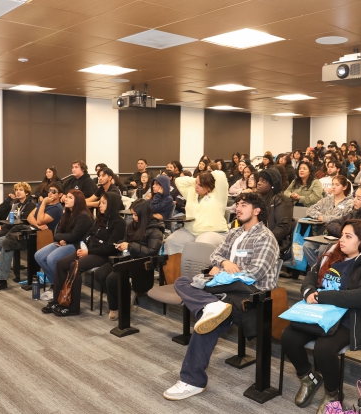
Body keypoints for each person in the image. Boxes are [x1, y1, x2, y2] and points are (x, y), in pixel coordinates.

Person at [162, 192, 279, 401]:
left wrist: (222, 271)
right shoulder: (234, 233)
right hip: (225, 288)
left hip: (248, 296)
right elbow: (215, 255)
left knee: (208, 324)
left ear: (257, 210)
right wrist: (224, 263)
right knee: (183, 281)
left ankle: (192, 381)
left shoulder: (265, 238)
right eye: (237, 204)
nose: (238, 208)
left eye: (244, 205)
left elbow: (254, 274)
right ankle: (210, 306)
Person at [281, 219, 361, 412]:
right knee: (288, 337)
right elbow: (311, 276)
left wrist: (322, 296)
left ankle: (333, 393)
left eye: (348, 236)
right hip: (320, 312)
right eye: (342, 235)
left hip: (350, 317)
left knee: (324, 348)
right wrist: (309, 292)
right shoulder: (331, 254)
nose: (341, 240)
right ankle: (308, 378)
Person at [0, 184, 63, 294]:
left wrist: (43, 204)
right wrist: (38, 225)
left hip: (41, 239)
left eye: (54, 191)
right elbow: (30, 217)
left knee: (7, 243)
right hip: (30, 233)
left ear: (60, 195)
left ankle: (1, 280)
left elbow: (40, 220)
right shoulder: (40, 204)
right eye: (49, 190)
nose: (50, 193)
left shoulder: (56, 208)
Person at [49, 192, 125, 317]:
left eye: (104, 203)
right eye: (100, 202)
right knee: (61, 263)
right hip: (88, 251)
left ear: (112, 205)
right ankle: (58, 300)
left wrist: (89, 251)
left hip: (103, 255)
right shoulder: (99, 220)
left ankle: (73, 307)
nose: (100, 205)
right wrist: (83, 247)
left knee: (75, 266)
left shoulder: (118, 223)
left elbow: (109, 247)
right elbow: (87, 236)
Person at [95, 199, 164, 320]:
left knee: (112, 277)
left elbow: (151, 252)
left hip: (141, 263)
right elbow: (127, 240)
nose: (133, 217)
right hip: (128, 258)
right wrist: (121, 244)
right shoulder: (131, 225)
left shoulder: (155, 229)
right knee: (99, 274)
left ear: (144, 214)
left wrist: (130, 246)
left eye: (136, 215)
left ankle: (116, 306)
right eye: (132, 214)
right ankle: (120, 298)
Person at [36, 190, 93, 309]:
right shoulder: (66, 213)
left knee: (51, 259)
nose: (65, 199)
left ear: (77, 201)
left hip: (76, 245)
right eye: (66, 197)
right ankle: (54, 284)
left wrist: (63, 239)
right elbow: (56, 233)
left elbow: (74, 236)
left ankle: (62, 288)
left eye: (70, 197)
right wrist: (62, 239)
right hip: (63, 242)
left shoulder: (84, 216)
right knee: (39, 256)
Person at [164, 170, 228, 255]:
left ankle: (200, 268)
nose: (196, 187)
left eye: (200, 185)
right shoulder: (191, 191)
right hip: (191, 231)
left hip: (215, 231)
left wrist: (206, 178)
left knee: (201, 242)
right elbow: (179, 180)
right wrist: (198, 180)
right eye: (196, 183)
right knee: (171, 241)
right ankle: (177, 267)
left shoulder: (218, 193)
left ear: (209, 185)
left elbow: (220, 175)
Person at [257, 169, 293, 258]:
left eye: (264, 181)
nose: (259, 183)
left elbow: (283, 227)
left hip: (276, 242)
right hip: (258, 239)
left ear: (273, 185)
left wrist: (264, 239)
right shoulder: (257, 199)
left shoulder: (282, 200)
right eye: (259, 180)